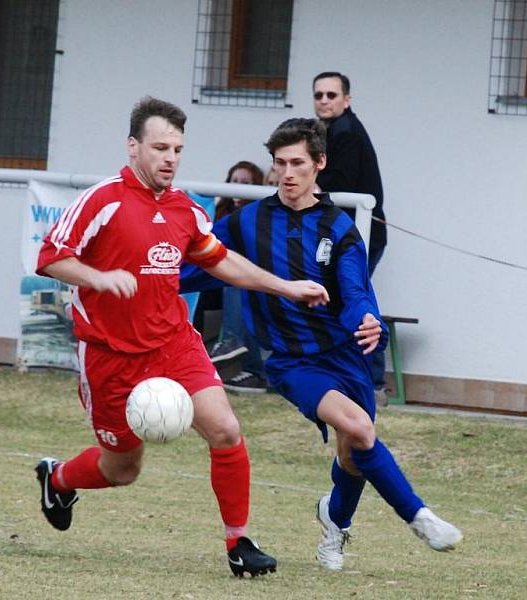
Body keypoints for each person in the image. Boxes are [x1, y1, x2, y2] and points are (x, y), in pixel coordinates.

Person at [33, 96, 329, 578]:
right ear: (133, 147)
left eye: (178, 149)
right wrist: (98, 278)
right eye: (160, 147)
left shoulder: (185, 209)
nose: (170, 158)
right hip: (110, 355)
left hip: (173, 343)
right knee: (123, 469)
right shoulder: (101, 201)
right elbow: (49, 257)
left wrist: (287, 287)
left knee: (226, 430)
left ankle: (239, 542)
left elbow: (221, 261)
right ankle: (59, 477)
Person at [181, 118, 462, 571]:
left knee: (353, 453)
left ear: (320, 164)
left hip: (346, 357)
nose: (287, 174)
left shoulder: (340, 228)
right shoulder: (247, 222)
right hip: (293, 363)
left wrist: (368, 321)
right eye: (279, 164)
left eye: (297, 163)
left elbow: (354, 292)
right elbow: (201, 264)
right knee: (361, 428)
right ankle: (419, 516)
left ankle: (333, 521)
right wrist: (145, 281)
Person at [312, 71, 387, 394]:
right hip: (346, 236)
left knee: (354, 299)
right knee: (345, 299)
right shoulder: (332, 130)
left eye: (331, 95)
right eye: (319, 95)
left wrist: (312, 183)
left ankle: (372, 379)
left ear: (346, 99)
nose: (325, 100)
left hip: (360, 235)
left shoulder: (346, 132)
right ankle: (354, 375)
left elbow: (342, 180)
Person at [207, 161, 269, 394]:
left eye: (245, 183)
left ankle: (235, 345)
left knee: (237, 286)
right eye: (234, 182)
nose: (238, 188)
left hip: (256, 284)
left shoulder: (258, 215)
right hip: (213, 286)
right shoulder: (219, 213)